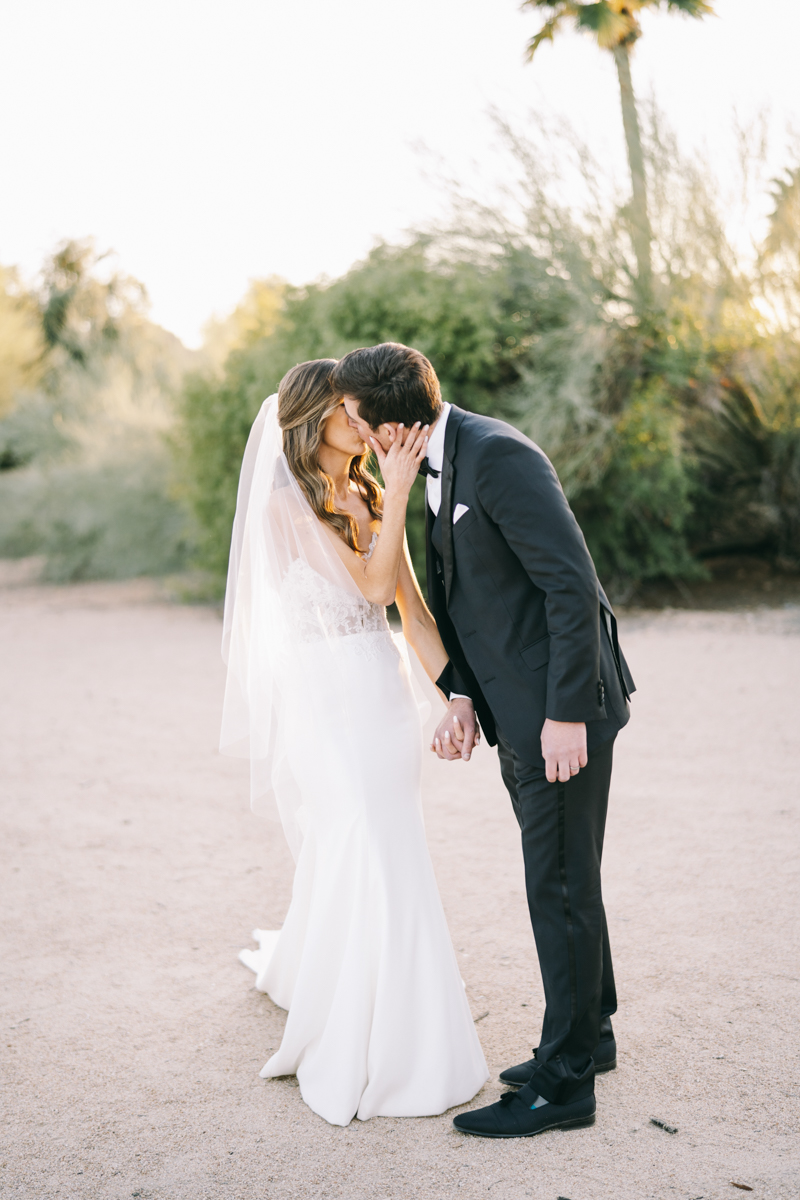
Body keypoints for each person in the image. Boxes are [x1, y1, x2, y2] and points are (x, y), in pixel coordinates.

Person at [334, 342, 635, 1139]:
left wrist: (566, 714)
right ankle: (591, 1036)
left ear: (393, 427)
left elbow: (571, 583)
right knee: (570, 874)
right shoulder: (436, 459)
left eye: (362, 427)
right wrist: (459, 692)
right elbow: (465, 598)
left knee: (558, 888)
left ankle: (564, 1084)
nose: (359, 441)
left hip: (558, 714)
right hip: (515, 705)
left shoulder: (496, 457)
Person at [220, 358, 488, 1128]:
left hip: (379, 696)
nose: (362, 421)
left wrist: (460, 697)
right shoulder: (285, 507)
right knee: (359, 837)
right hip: (325, 705)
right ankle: (365, 1031)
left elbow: (406, 606)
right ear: (312, 420)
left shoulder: (368, 491)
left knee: (391, 842)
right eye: (345, 409)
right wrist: (403, 485)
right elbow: (368, 586)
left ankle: (392, 1002)